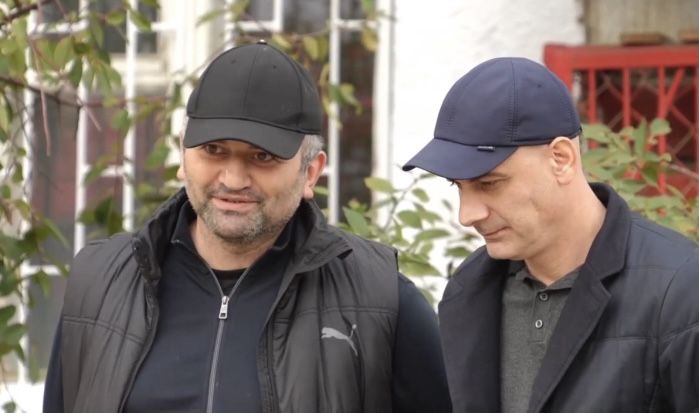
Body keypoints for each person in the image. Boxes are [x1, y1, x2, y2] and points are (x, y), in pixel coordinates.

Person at [43, 40, 451, 413]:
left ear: (311, 172)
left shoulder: (381, 302)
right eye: (213, 150)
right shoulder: (99, 287)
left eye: (262, 156)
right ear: (183, 155)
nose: (233, 179)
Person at [403, 57, 699, 412]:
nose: (467, 215)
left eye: (489, 184)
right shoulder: (467, 289)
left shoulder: (680, 290)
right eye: (458, 186)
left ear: (561, 159)